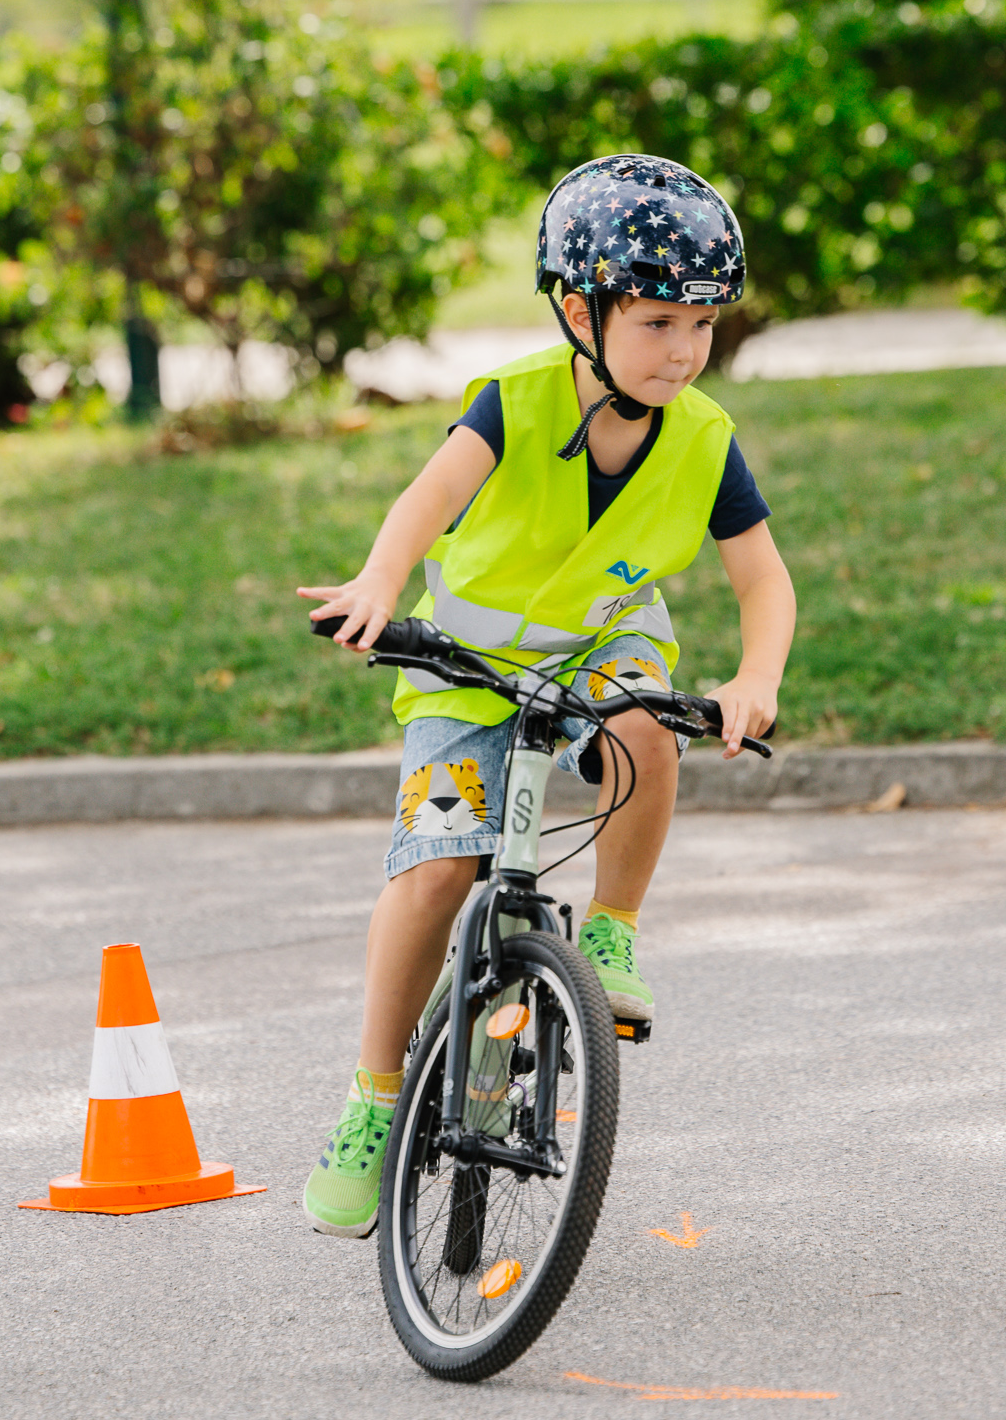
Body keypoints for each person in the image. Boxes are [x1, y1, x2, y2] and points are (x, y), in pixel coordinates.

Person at [295, 154, 797, 1238]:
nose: (683, 350)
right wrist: (380, 585)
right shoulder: (513, 401)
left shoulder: (702, 438)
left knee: (643, 729)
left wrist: (754, 677)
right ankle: (372, 1099)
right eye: (657, 320)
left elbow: (762, 577)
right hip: (464, 667)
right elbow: (426, 499)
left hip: (600, 650)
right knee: (434, 877)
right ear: (579, 309)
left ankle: (609, 933)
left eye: (701, 324)